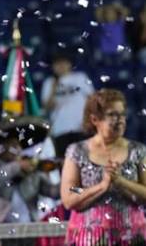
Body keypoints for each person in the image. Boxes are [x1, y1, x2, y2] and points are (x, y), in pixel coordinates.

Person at [61, 88, 146, 245]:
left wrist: (121, 182)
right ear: (95, 119)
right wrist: (101, 186)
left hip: (133, 238)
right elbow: (70, 195)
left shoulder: (138, 151)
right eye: (113, 115)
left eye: (122, 114)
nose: (120, 120)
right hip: (88, 239)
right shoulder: (77, 151)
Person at [41, 51, 94, 158]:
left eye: (63, 62)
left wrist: (89, 121)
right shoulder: (49, 82)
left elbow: (92, 99)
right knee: (64, 162)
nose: (61, 66)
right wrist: (53, 89)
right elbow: (47, 108)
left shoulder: (80, 77)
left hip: (80, 128)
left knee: (85, 160)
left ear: (69, 64)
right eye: (57, 63)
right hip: (60, 130)